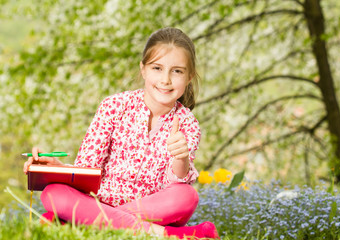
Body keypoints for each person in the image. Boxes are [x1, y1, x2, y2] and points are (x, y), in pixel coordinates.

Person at [23, 27, 219, 239]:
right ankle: (166, 234)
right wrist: (59, 169)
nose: (166, 80)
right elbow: (88, 168)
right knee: (54, 193)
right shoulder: (114, 106)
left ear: (189, 77)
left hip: (149, 209)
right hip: (98, 201)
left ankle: (75, 224)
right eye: (157, 68)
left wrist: (181, 158)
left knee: (187, 196)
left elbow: (174, 185)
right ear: (143, 69)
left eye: (177, 71)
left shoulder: (188, 124)